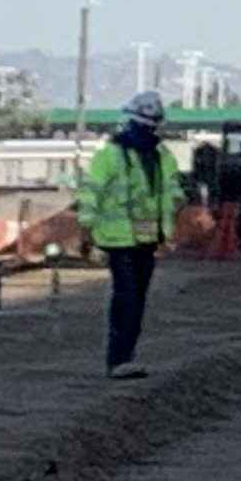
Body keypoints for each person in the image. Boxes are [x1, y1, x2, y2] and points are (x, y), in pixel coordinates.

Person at [73, 88, 186, 380]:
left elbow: (169, 193)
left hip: (145, 240)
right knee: (126, 298)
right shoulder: (111, 156)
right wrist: (86, 231)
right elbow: (91, 194)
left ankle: (126, 356)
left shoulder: (161, 157)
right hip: (117, 240)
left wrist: (170, 222)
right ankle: (118, 359)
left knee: (137, 299)